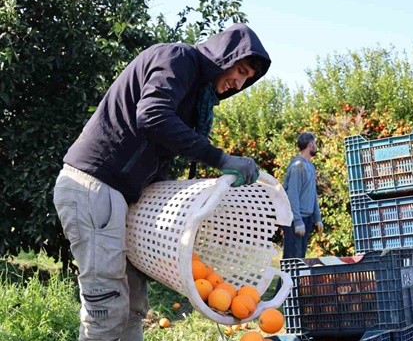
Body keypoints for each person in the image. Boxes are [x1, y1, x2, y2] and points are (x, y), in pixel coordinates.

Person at [52, 23, 270, 340]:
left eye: (247, 78)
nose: (239, 81)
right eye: (240, 69)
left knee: (133, 306)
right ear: (225, 56)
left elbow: (156, 156)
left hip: (119, 196)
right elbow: (152, 114)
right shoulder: (178, 58)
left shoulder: (196, 95)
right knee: (107, 308)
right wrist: (220, 159)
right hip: (94, 186)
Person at [281, 132, 323, 259]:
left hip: (307, 218)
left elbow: (312, 193)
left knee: (300, 259)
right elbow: (292, 194)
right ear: (310, 145)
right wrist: (298, 221)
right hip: (295, 220)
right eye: (314, 143)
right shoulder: (298, 166)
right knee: (292, 259)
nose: (316, 146)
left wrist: (317, 218)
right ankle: (285, 280)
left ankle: (293, 280)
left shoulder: (309, 166)